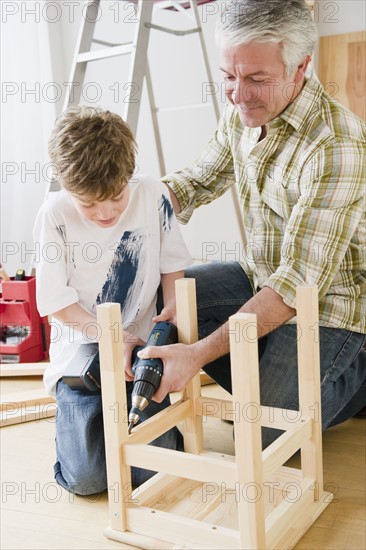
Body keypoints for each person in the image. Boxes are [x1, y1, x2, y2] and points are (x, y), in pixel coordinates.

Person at [139, 0, 366, 445]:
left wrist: (197, 354)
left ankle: (353, 382)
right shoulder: (246, 109)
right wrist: (119, 206)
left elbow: (294, 286)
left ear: (300, 67)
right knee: (170, 299)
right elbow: (195, 182)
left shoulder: (336, 146)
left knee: (268, 435)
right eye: (229, 76)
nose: (239, 94)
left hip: (327, 306)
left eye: (257, 79)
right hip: (259, 278)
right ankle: (279, 380)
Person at [33, 106, 192, 495]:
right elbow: (56, 302)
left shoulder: (152, 193)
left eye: (117, 197)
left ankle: (146, 427)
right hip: (82, 359)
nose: (105, 213)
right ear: (66, 186)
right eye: (87, 204)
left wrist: (170, 311)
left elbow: (173, 266)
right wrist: (111, 337)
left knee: (151, 476)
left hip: (140, 356)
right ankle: (80, 429)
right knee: (87, 481)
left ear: (128, 176)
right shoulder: (54, 214)